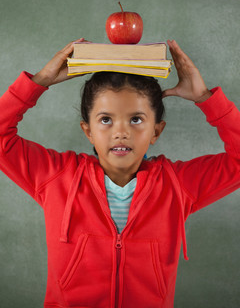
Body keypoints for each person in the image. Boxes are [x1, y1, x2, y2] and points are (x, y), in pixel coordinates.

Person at [0, 38, 239, 308]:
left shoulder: (177, 185)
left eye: (136, 119)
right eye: (106, 120)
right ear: (88, 131)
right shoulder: (57, 178)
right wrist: (39, 81)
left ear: (156, 132)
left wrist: (205, 98)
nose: (121, 132)